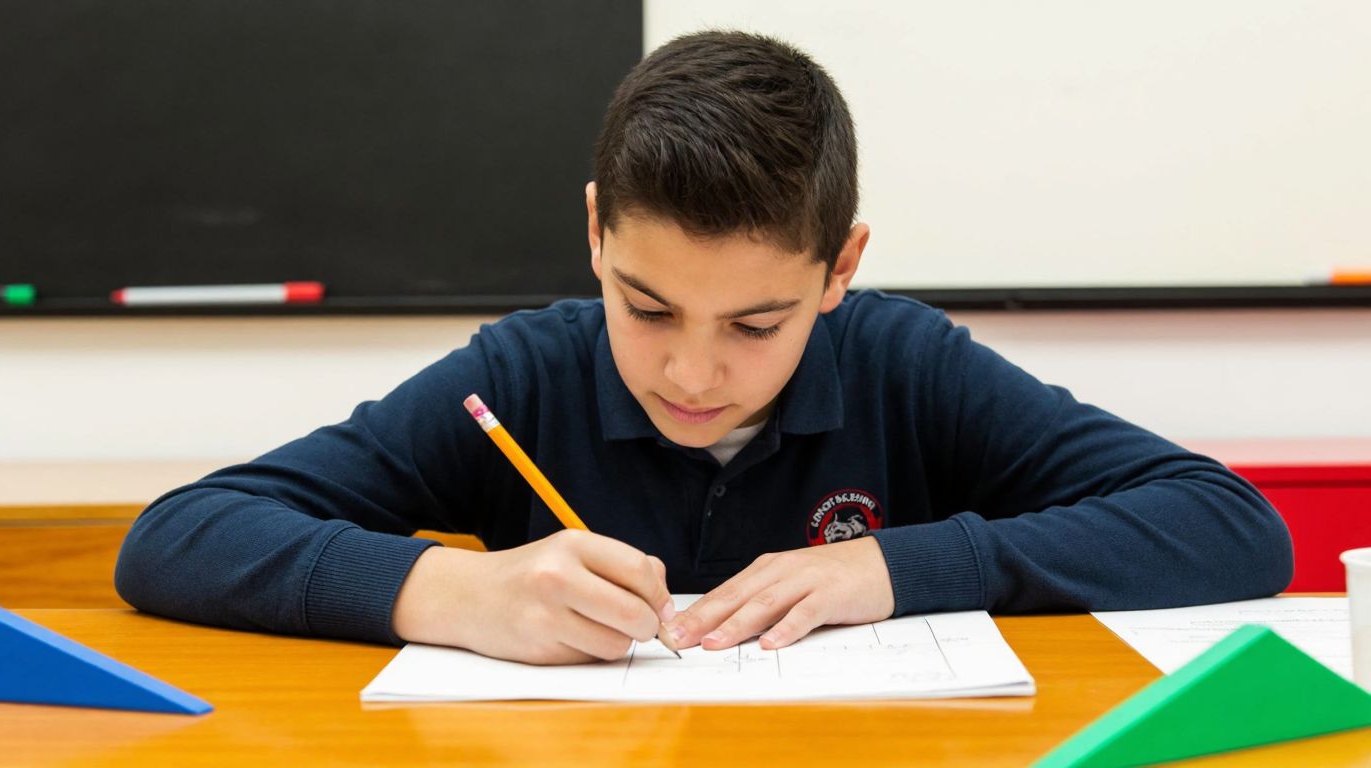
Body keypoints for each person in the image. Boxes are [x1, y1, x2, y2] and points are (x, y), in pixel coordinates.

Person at [115, 30, 1293, 665]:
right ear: (592, 233)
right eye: (647, 305)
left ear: (839, 268)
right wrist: (450, 589)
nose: (689, 372)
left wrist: (892, 569)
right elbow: (177, 539)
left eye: (755, 324)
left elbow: (1228, 526)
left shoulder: (905, 364)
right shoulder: (522, 376)